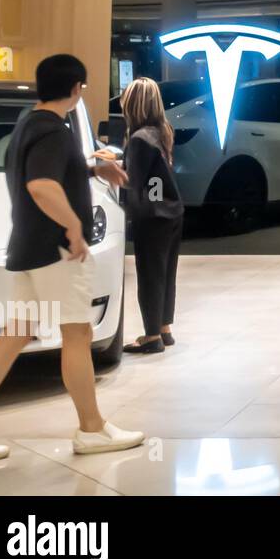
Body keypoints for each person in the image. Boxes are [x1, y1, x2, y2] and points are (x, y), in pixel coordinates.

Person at [0, 54, 145, 463]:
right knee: (76, 335)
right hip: (56, 253)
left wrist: (93, 170)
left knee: (13, 336)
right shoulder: (54, 131)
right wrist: (74, 228)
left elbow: (51, 172)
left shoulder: (29, 123)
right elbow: (42, 184)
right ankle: (91, 429)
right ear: (77, 89)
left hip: (27, 248)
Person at [117, 77, 184, 354]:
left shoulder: (138, 139)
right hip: (172, 211)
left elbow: (134, 181)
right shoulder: (162, 132)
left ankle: (151, 335)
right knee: (166, 272)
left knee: (150, 275)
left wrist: (108, 168)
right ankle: (164, 328)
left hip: (152, 216)